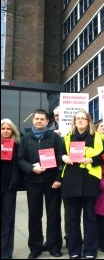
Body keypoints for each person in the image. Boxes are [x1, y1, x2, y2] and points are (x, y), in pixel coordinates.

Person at [17, 109, 63, 259]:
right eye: (36, 119)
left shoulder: (55, 138)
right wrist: (32, 168)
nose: (39, 121)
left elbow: (60, 159)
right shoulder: (26, 139)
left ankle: (54, 245)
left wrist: (58, 179)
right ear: (33, 120)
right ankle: (35, 247)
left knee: (54, 215)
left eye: (42, 119)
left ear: (47, 121)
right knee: (34, 216)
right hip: (33, 182)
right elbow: (20, 159)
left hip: (51, 182)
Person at [60, 109, 104, 259]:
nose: (80, 120)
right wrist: (64, 156)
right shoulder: (67, 137)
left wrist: (91, 159)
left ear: (88, 121)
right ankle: (74, 250)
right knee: (73, 218)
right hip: (71, 181)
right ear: (74, 121)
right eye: (77, 118)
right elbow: (59, 154)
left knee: (90, 217)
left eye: (83, 118)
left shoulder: (97, 137)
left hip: (90, 180)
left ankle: (90, 251)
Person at [46, 105, 70, 249]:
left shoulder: (73, 132)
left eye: (61, 115)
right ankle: (53, 240)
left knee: (69, 210)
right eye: (56, 116)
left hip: (68, 176)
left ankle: (69, 237)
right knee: (53, 210)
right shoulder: (48, 132)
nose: (58, 118)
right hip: (53, 176)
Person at [1, 119, 22, 259]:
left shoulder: (17, 146)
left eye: (9, 129)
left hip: (9, 187)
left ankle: (6, 252)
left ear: (13, 131)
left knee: (8, 219)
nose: (6, 131)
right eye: (3, 129)